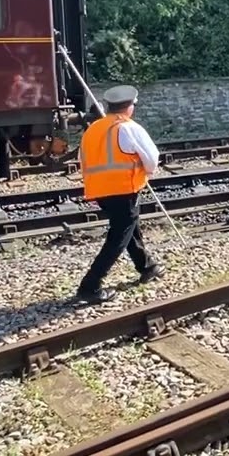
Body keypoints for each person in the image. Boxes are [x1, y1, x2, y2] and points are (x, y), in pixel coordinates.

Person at [75, 85, 166, 304]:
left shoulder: (93, 129)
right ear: (129, 107)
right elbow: (152, 159)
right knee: (119, 235)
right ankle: (90, 285)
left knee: (127, 226)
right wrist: (145, 171)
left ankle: (147, 266)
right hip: (123, 187)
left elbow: (81, 158)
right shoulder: (128, 128)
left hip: (98, 190)